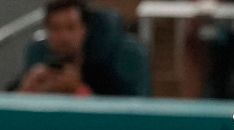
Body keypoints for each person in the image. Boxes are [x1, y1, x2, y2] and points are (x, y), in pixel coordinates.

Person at [15, 0, 149, 97]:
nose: (64, 37)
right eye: (55, 29)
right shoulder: (37, 56)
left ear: (84, 30)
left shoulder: (115, 59)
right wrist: (28, 89)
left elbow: (125, 115)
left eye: (70, 28)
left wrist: (77, 89)